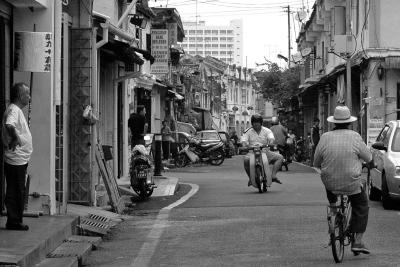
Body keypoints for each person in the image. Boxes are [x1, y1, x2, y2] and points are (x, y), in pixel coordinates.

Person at [313, 105, 373, 254]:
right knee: (361, 205)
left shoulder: (325, 137)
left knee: (330, 192)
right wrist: (372, 164)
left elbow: (316, 163)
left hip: (330, 182)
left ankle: (333, 215)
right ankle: (357, 241)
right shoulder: (355, 136)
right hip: (351, 181)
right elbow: (369, 158)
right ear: (349, 122)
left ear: (334, 122)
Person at [1, 83, 32, 231]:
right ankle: (14, 221)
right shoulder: (14, 110)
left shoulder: (16, 110)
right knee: (16, 190)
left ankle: (15, 220)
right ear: (20, 96)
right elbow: (9, 124)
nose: (29, 97)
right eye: (27, 94)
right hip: (15, 159)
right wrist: (15, 138)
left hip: (19, 159)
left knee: (17, 189)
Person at [242, 114, 283, 185]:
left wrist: (270, 143)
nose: (256, 124)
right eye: (254, 122)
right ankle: (251, 179)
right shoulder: (247, 131)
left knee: (280, 157)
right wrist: (244, 146)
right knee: (246, 160)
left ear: (261, 123)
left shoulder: (267, 130)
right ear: (252, 123)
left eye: (258, 122)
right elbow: (244, 141)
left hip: (265, 151)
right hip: (252, 152)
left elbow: (271, 138)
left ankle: (273, 176)